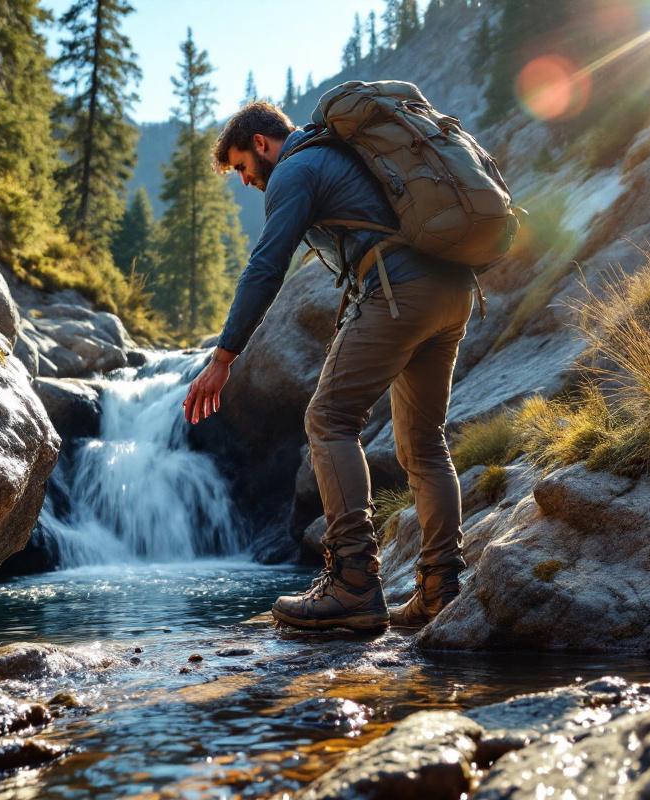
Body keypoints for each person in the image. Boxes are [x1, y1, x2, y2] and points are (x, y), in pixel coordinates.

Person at [182, 101, 473, 632]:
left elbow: (266, 266)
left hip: (400, 290)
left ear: (261, 143)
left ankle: (353, 583)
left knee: (329, 420)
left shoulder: (295, 169)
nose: (245, 181)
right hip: (451, 290)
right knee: (424, 443)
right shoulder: (340, 153)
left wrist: (223, 357)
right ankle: (441, 589)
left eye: (242, 166)